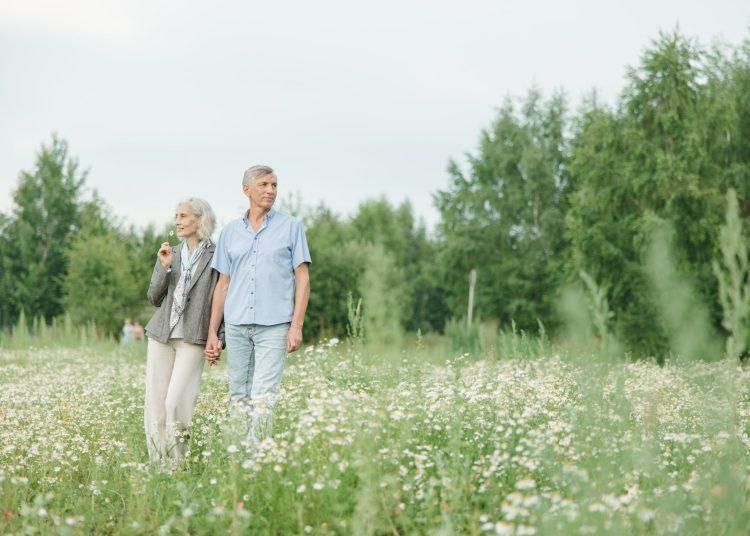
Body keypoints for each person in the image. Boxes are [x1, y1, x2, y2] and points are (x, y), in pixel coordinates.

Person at [204, 165, 311, 445]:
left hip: (274, 326)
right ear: (247, 190)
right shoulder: (229, 233)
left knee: (264, 393)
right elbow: (222, 284)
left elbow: (303, 279)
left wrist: (296, 326)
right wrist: (213, 332)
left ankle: (255, 458)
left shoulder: (291, 227)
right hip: (237, 325)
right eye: (264, 185)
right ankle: (238, 457)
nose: (270, 190)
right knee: (238, 393)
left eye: (274, 185)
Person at [143, 198, 224, 469]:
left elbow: (222, 299)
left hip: (194, 336)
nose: (177, 221)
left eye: (183, 216)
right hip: (162, 335)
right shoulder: (172, 253)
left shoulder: (218, 254)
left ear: (199, 220)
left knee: (176, 401)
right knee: (155, 402)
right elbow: (154, 297)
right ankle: (158, 464)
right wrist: (163, 266)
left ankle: (178, 465)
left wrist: (218, 337)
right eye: (176, 216)